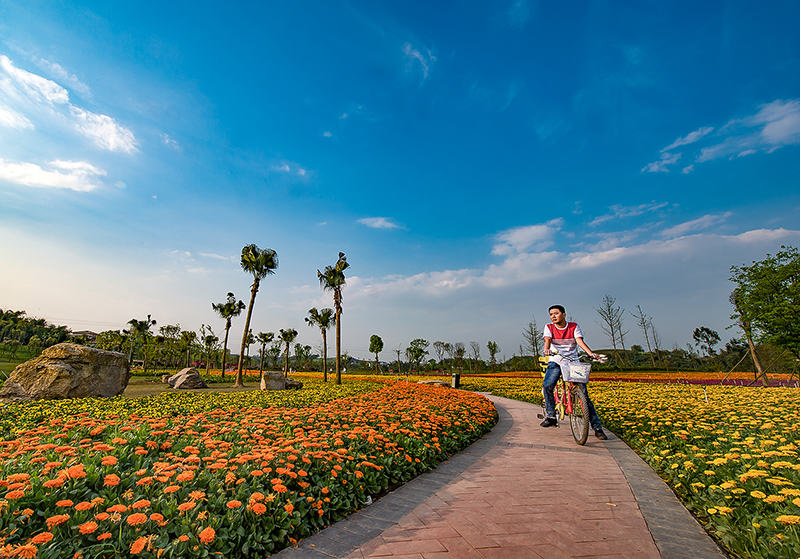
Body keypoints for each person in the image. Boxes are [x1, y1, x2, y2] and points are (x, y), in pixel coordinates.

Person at [539, 304, 608, 440]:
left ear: (564, 314)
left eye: (556, 313)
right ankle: (551, 415)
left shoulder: (573, 327)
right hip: (556, 360)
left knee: (584, 394)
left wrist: (590, 353)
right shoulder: (549, 327)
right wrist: (546, 349)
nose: (553, 316)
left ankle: (597, 427)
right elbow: (547, 340)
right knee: (547, 385)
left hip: (573, 362)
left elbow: (579, 341)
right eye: (551, 314)